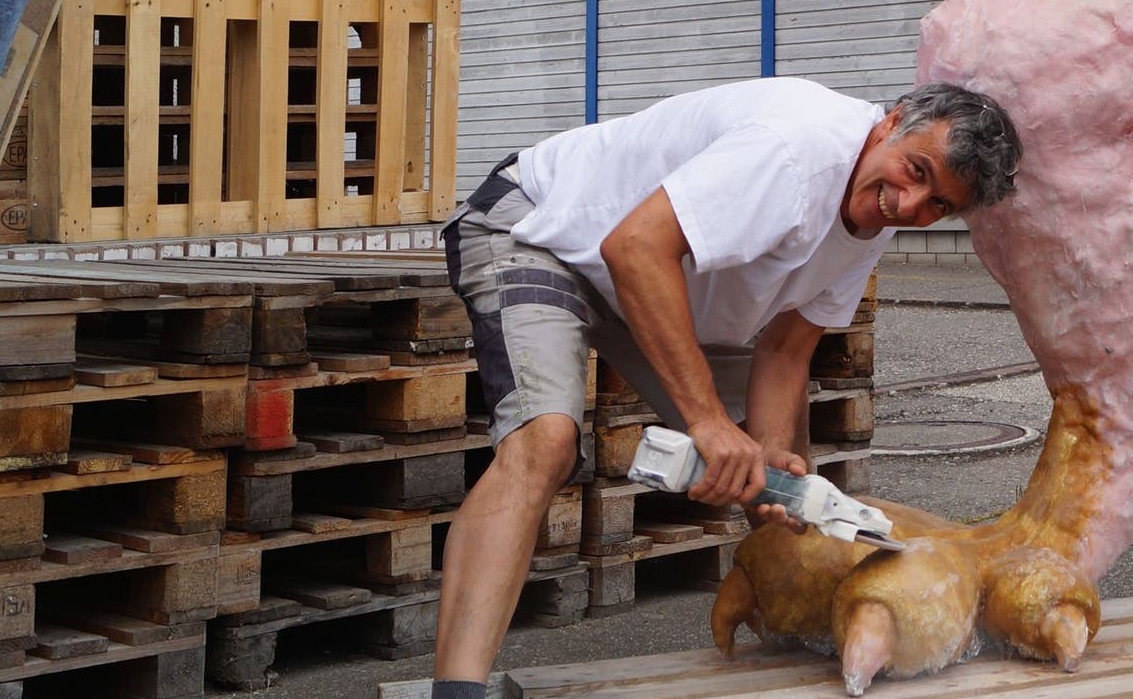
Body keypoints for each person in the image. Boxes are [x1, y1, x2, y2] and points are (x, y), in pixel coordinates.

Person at [428, 79, 1021, 699]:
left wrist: (770, 462)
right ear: (892, 122)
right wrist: (708, 422)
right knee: (544, 441)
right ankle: (459, 690)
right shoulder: (795, 151)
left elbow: (786, 348)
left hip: (634, 271)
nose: (909, 204)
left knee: (777, 477)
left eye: (938, 205)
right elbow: (633, 247)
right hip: (537, 228)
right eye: (915, 170)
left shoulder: (872, 216)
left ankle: (812, 633)